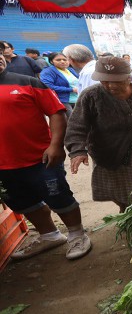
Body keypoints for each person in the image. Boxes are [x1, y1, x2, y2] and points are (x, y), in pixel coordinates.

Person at [0, 45, 91, 261]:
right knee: (24, 202)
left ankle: (77, 234)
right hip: (4, 165)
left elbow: (56, 112)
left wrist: (56, 145)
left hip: (40, 157)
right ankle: (50, 235)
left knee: (58, 195)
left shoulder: (27, 81)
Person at [65, 57, 132, 212]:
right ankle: (126, 210)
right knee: (119, 191)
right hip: (111, 152)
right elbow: (77, 126)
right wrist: (78, 150)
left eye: (117, 81)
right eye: (104, 81)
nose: (110, 85)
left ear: (129, 77)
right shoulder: (91, 96)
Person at [39, 52, 80, 117]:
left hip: (76, 99)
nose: (62, 61)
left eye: (65, 59)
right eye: (58, 60)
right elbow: (47, 86)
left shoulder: (70, 70)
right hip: (62, 100)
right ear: (52, 62)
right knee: (71, 121)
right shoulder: (48, 71)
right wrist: (71, 89)